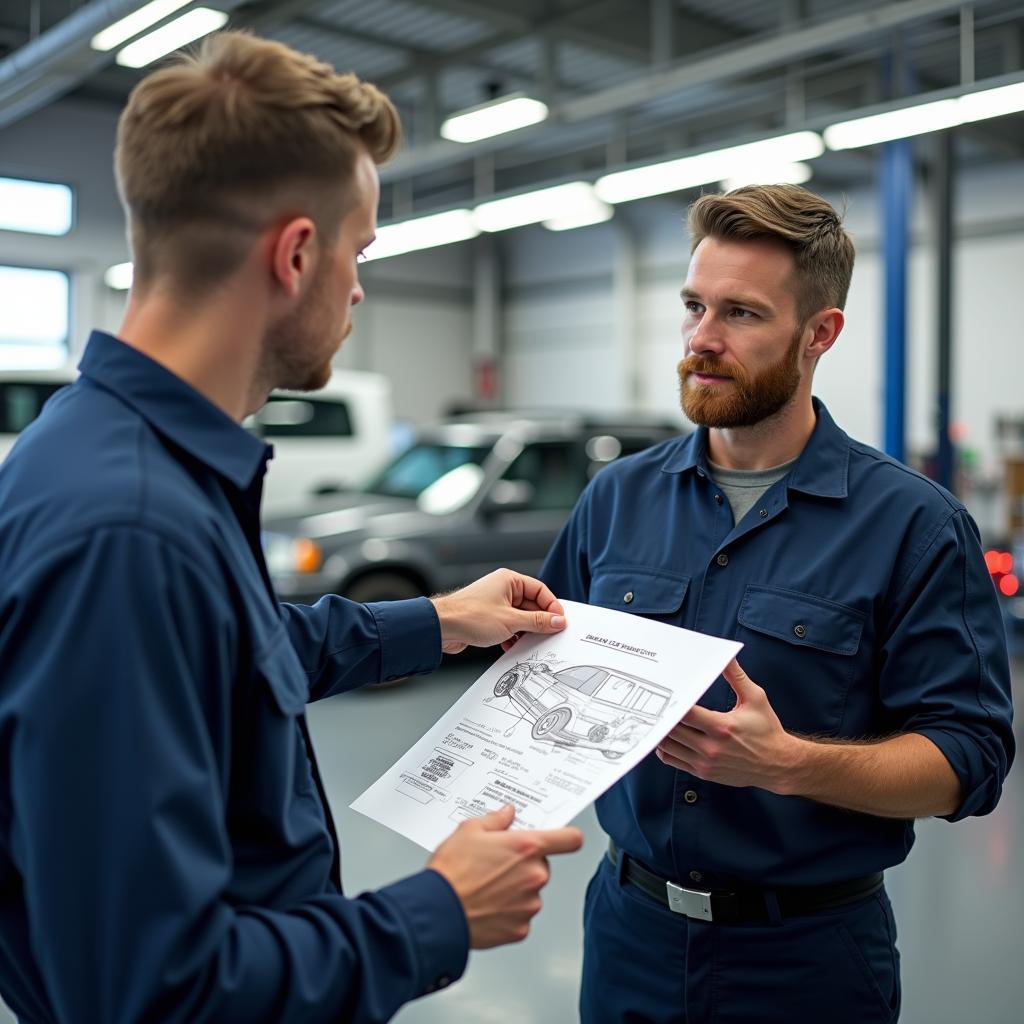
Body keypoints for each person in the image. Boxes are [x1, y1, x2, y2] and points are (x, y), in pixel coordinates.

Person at [0, 32, 583, 1024]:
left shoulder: (107, 446)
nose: (356, 286)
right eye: (357, 250)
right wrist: (436, 909)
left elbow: (229, 660)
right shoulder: (130, 531)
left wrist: (438, 619)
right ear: (297, 253)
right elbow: (150, 992)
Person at [540, 184, 1014, 1023]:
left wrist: (787, 763)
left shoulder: (912, 524)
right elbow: (546, 680)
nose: (701, 340)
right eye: (693, 306)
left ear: (819, 334)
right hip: (628, 938)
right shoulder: (616, 499)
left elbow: (968, 760)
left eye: (742, 315)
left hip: (806, 962)